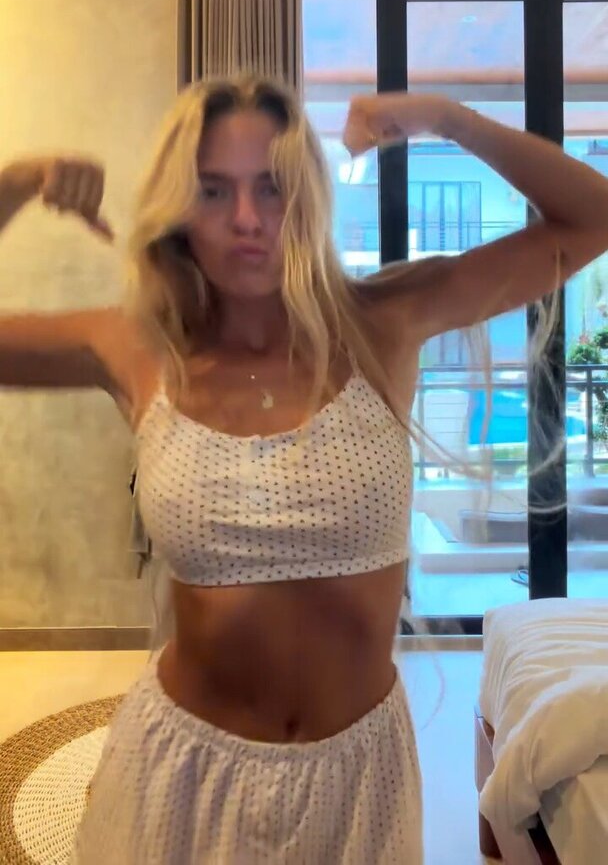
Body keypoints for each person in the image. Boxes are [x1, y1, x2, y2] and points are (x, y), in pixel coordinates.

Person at [2, 75, 608, 864]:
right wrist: (16, 183)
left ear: (311, 194)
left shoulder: (385, 320)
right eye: (213, 190)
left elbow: (593, 217)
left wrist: (445, 116)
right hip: (181, 770)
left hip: (358, 783)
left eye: (273, 185)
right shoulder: (138, 344)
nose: (247, 218)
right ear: (178, 210)